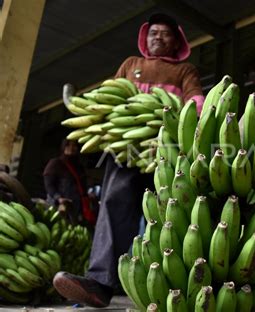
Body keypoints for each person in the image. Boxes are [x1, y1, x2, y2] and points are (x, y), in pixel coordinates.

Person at [52, 13, 204, 307]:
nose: (157, 37)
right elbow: (109, 95)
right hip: (124, 148)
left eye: (165, 33)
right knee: (113, 205)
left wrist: (190, 115)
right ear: (145, 38)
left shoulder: (185, 70)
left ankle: (165, 284)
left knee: (165, 212)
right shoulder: (131, 65)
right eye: (153, 32)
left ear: (177, 42)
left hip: (164, 149)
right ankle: (98, 284)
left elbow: (195, 99)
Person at [43, 139, 96, 225]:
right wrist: (58, 198)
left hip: (77, 209)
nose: (71, 148)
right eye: (68, 145)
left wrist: (89, 193)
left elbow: (84, 184)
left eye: (74, 145)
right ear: (64, 147)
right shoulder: (56, 163)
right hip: (60, 207)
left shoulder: (79, 167)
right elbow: (49, 184)